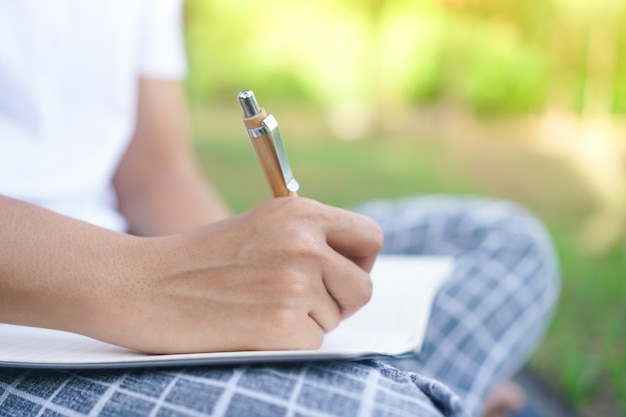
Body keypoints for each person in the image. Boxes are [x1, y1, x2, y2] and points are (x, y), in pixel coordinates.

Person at [0, 1, 559, 416]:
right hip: (33, 321)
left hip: (139, 260)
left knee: (505, 244)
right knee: (373, 408)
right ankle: (420, 393)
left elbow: (155, 171)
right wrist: (145, 282)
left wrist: (246, 286)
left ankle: (403, 390)